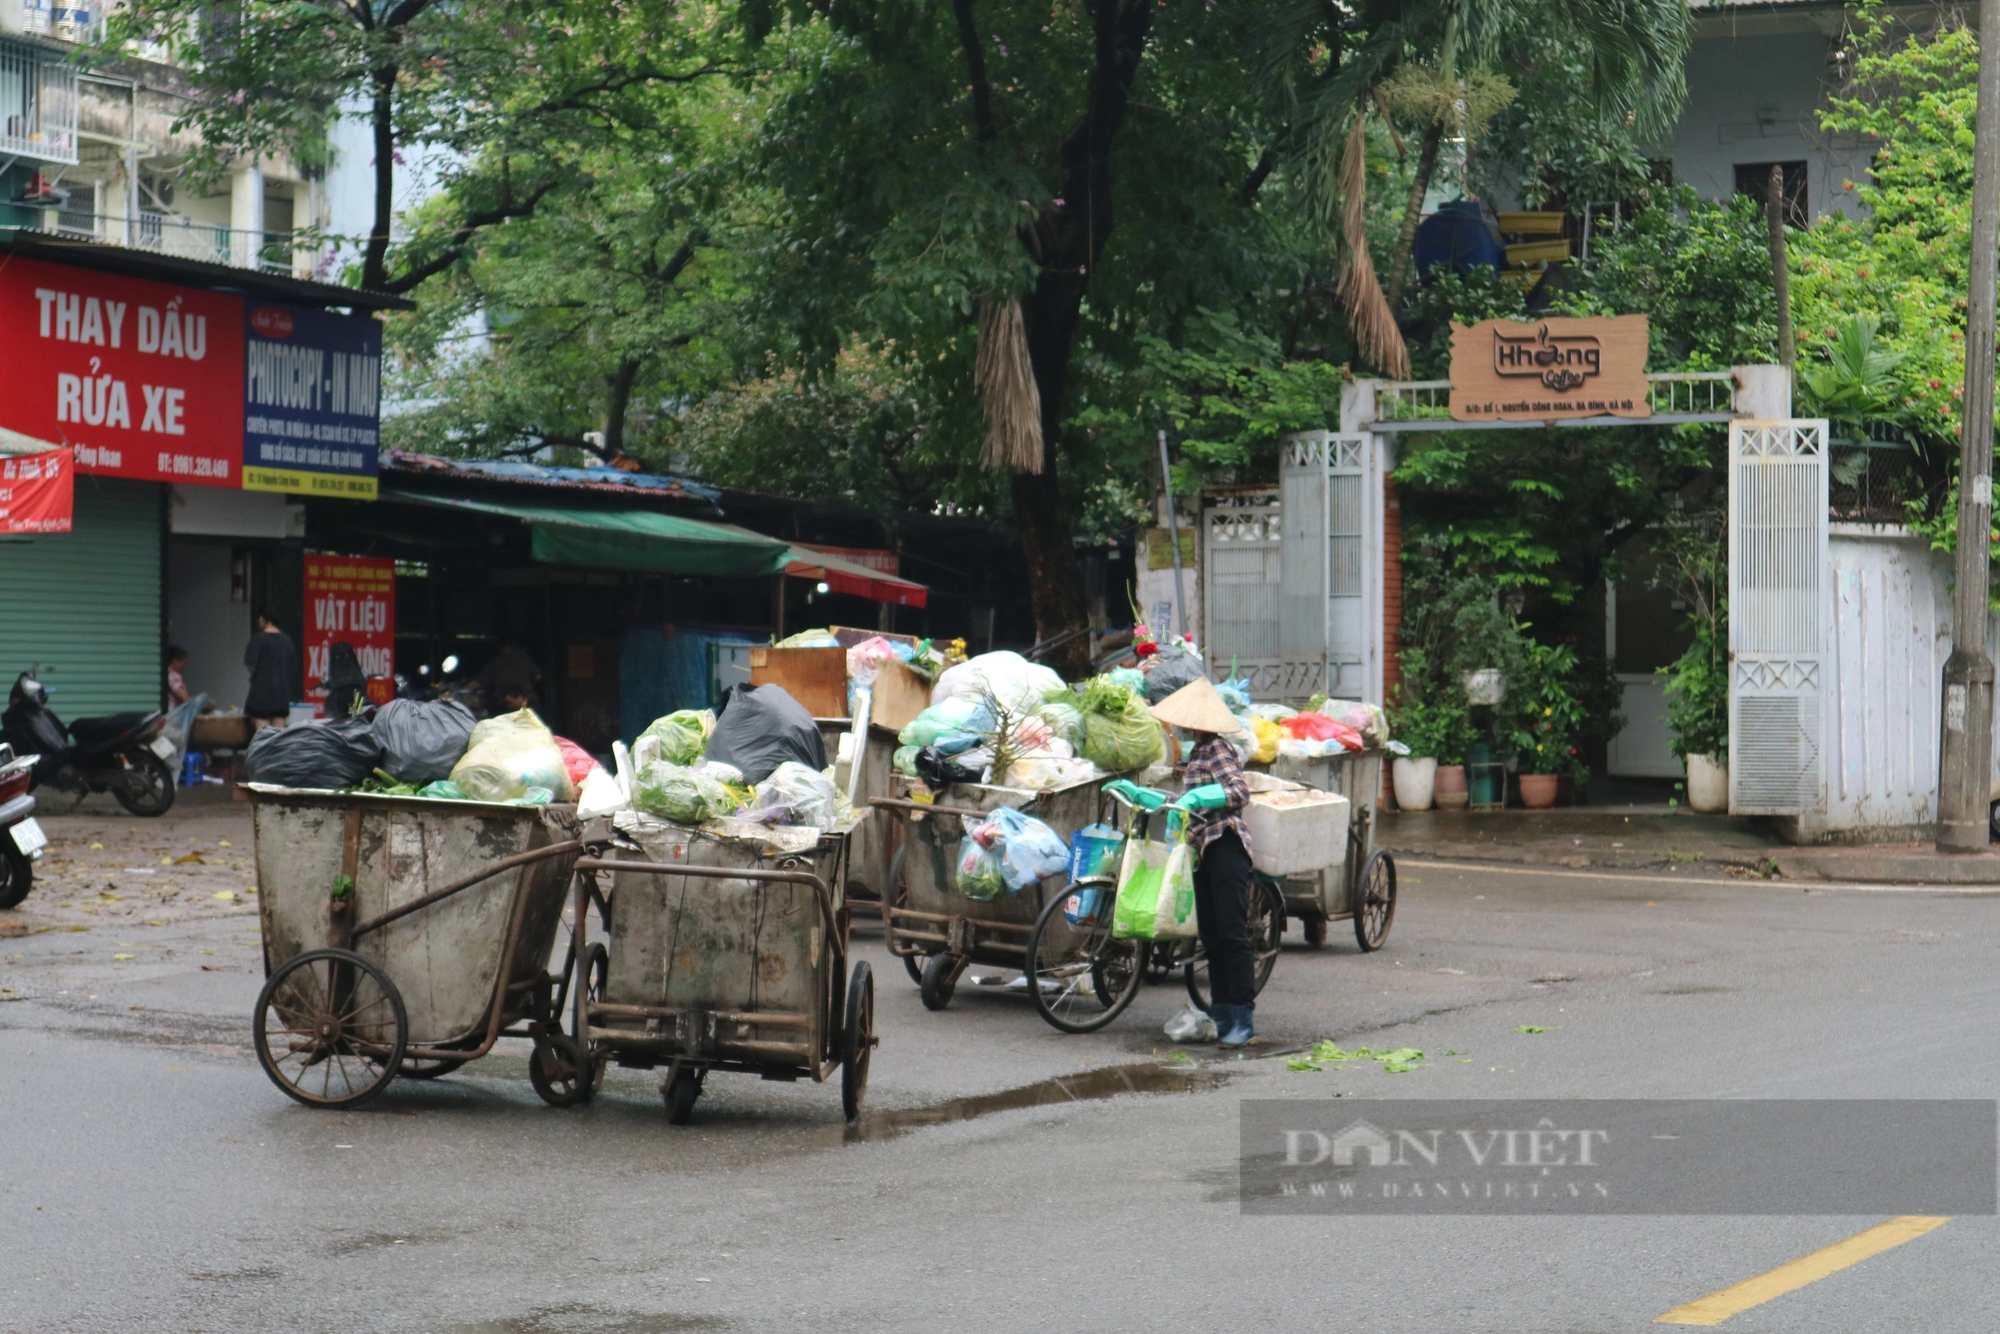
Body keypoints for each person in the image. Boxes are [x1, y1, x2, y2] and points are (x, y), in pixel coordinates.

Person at [1149, 677, 1258, 1048]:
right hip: (1202, 850)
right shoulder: (1195, 752)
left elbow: (1239, 791)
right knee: (1210, 936)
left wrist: (1204, 798)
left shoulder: (1217, 749)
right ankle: (1222, 1010)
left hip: (1225, 843)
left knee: (1230, 933)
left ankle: (1242, 1014)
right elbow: (1188, 799)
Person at [244, 609, 300, 729]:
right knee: (278, 740)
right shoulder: (287, 641)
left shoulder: (257, 639)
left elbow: (251, 666)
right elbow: (292, 668)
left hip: (260, 699)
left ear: (263, 619)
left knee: (262, 739)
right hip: (281, 697)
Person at [475, 641, 541, 709]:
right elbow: (538, 677)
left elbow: (478, 683)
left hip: (504, 704)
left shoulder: (495, 663)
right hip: (528, 702)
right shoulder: (524, 658)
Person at [322, 641, 368, 719]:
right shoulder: (334, 669)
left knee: (364, 705)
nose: (343, 658)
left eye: (347, 655)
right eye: (337, 656)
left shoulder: (354, 669)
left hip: (355, 693)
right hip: (339, 696)